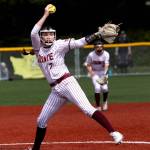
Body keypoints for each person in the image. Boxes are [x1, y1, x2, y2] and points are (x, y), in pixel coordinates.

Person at [27, 4, 123, 150]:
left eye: (51, 34)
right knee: (41, 120)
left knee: (87, 109)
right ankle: (35, 149)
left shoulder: (59, 45)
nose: (48, 36)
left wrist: (96, 35)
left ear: (55, 35)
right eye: (45, 34)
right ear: (41, 38)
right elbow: (33, 32)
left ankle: (114, 133)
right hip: (55, 91)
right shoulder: (37, 48)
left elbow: (79, 42)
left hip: (67, 83)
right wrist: (46, 14)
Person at [84, 40, 109, 111]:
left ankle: (105, 103)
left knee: (105, 88)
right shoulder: (91, 55)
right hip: (95, 73)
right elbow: (88, 64)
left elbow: (106, 65)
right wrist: (91, 72)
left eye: (101, 46)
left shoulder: (106, 54)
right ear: (94, 47)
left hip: (103, 72)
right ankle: (98, 106)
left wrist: (105, 74)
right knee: (97, 88)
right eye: (97, 47)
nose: (99, 48)